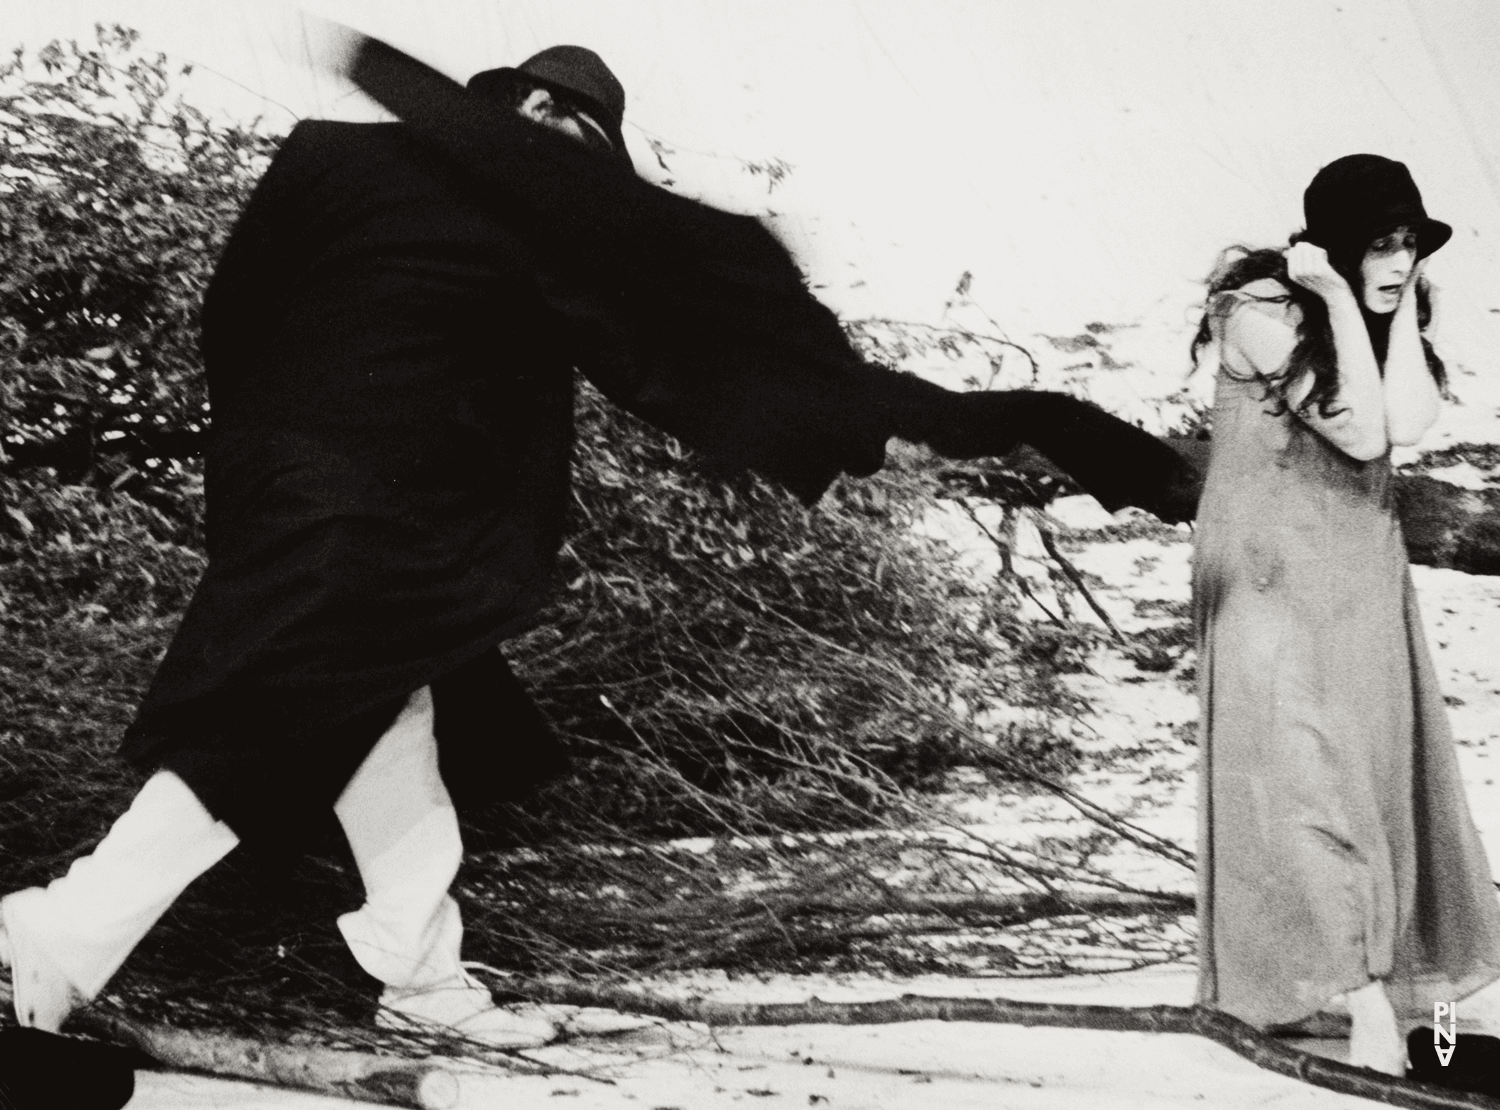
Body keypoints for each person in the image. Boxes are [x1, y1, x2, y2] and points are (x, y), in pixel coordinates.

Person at [2, 31, 1198, 1048]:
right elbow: (658, 361)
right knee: (269, 724)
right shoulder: (480, 203)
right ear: (517, 117)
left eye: (569, 136)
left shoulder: (356, 167)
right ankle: (55, 935)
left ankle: (421, 977)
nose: (552, 146)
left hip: (311, 496)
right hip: (362, 514)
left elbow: (243, 311)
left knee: (383, 714)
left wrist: (267, 451)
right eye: (549, 125)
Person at [1190, 153, 1500, 1074]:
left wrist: (1390, 308)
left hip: (1358, 569)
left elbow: (1404, 419)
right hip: (1268, 575)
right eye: (1381, 244)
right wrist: (1332, 301)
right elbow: (1356, 430)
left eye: (1409, 243)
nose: (1398, 259)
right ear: (1332, 246)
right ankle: (1361, 999)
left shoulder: (1373, 310)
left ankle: (1405, 997)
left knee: (1381, 778)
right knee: (1306, 782)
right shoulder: (1254, 314)